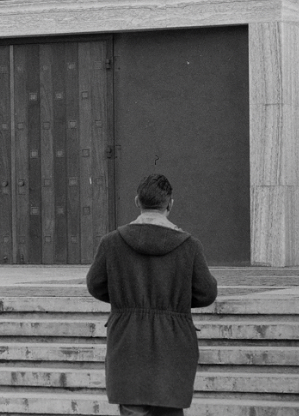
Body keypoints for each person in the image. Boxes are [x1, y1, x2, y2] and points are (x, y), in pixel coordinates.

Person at [84, 173, 219, 416]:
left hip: (127, 343)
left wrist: (124, 297)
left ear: (137, 201)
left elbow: (95, 285)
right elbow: (207, 293)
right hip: (173, 344)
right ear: (170, 204)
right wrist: (175, 300)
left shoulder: (111, 243)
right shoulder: (190, 246)